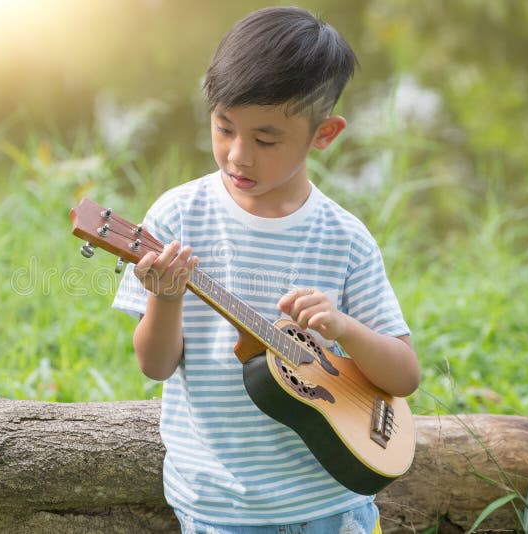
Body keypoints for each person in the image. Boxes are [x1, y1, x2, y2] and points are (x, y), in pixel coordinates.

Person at [112, 6, 420, 533]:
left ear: (324, 134)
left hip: (330, 506)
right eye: (224, 128)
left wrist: (344, 328)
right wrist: (165, 297)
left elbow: (404, 375)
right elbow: (156, 366)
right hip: (217, 506)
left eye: (266, 139)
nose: (238, 156)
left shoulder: (344, 238)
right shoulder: (177, 218)